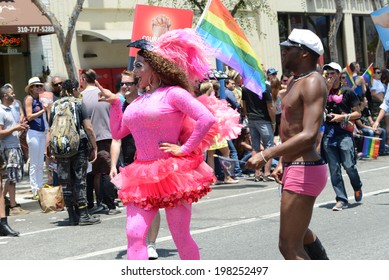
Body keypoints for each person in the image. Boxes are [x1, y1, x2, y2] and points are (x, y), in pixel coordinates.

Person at [98, 28, 241, 260]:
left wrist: (184, 149)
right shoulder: (137, 101)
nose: (134, 70)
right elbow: (118, 132)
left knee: (180, 236)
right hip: (140, 174)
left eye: (138, 65)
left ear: (155, 67)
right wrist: (115, 104)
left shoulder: (174, 94)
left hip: (172, 172)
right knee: (134, 234)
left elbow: (206, 118)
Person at [246, 29, 329, 260]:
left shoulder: (312, 82)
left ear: (303, 53)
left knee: (289, 247)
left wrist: (266, 154)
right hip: (295, 165)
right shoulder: (295, 80)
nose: (283, 51)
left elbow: (309, 134)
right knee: (300, 236)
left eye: (288, 48)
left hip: (305, 168)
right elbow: (289, 129)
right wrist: (282, 161)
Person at [109, 70, 161, 259]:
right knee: (135, 205)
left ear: (137, 84)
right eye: (122, 84)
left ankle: (152, 244)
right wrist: (113, 165)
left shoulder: (146, 102)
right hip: (129, 164)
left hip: (149, 162)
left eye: (128, 83)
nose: (124, 87)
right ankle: (138, 241)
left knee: (151, 203)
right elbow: (116, 139)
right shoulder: (119, 106)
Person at [50, 79, 100, 226]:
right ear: (73, 89)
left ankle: (72, 215)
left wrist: (50, 149)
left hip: (60, 148)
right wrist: (94, 146)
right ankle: (84, 214)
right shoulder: (78, 103)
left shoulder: (55, 106)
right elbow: (88, 127)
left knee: (66, 181)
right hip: (78, 146)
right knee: (80, 180)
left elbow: (50, 129)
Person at [321, 62, 363, 211]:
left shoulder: (347, 92)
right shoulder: (323, 92)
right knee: (334, 169)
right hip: (329, 134)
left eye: (333, 73)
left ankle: (357, 186)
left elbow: (358, 113)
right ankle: (341, 199)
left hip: (344, 134)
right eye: (327, 74)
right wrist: (326, 89)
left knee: (349, 165)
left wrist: (342, 117)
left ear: (339, 74)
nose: (330, 77)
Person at [81, 69, 121, 215]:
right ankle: (109, 204)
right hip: (106, 136)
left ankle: (91, 204)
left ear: (83, 79)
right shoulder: (104, 92)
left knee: (90, 173)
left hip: (87, 139)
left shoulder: (80, 97)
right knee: (106, 171)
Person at [0, 86, 29, 216]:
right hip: (8, 147)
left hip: (16, 145)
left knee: (15, 177)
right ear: (5, 96)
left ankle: (6, 201)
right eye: (12, 93)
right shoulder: (1, 111)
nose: (14, 94)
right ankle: (13, 206)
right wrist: (15, 128)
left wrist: (21, 128)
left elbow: (14, 126)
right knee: (11, 178)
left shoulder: (14, 108)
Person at [242, 81, 276, 182]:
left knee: (255, 147)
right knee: (269, 147)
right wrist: (274, 122)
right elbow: (270, 106)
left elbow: (243, 104)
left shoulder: (246, 87)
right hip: (264, 119)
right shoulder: (265, 87)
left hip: (252, 119)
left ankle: (257, 173)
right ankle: (266, 173)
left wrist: (248, 116)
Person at [24, 77, 50, 200]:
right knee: (34, 163)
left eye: (40, 86)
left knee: (41, 162)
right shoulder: (29, 99)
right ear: (31, 88)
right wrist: (43, 110)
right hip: (34, 132)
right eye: (36, 86)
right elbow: (29, 116)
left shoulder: (42, 99)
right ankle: (35, 188)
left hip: (42, 132)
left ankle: (40, 186)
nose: (39, 88)